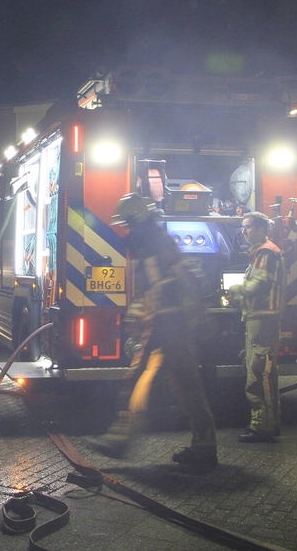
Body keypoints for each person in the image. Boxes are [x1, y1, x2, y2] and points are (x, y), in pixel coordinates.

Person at [90, 194, 218, 468]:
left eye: (127, 223)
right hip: (171, 322)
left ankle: (120, 439)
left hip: (167, 323)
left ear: (136, 220)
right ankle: (204, 447)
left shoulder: (148, 242)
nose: (126, 230)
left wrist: (146, 317)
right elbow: (163, 284)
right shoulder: (156, 240)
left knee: (141, 378)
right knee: (186, 385)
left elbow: (162, 287)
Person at [227, 211, 285, 443]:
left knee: (258, 373)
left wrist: (234, 291)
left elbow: (258, 284)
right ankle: (266, 423)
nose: (244, 231)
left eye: (248, 227)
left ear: (261, 229)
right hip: (260, 318)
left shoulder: (265, 252)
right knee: (261, 371)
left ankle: (262, 427)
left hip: (262, 319)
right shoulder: (262, 252)